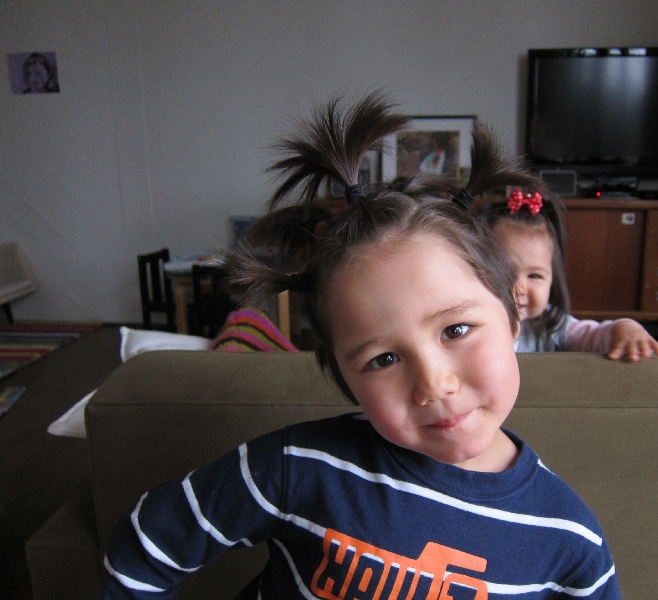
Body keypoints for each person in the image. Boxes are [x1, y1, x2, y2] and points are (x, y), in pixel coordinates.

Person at [101, 92, 622, 599]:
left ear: (512, 317)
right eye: (383, 359)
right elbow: (148, 544)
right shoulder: (297, 467)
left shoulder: (571, 540)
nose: (433, 385)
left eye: (456, 330)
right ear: (346, 379)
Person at [480, 188, 658, 361]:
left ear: (552, 279)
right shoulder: (472, 322)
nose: (519, 288)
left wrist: (624, 328)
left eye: (535, 276)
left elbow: (593, 336)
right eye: (504, 273)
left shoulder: (551, 324)